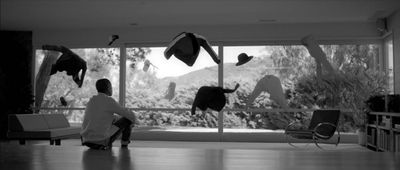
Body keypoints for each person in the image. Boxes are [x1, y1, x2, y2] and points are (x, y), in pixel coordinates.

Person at [81, 78, 136, 150]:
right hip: (100, 140)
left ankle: (101, 144)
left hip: (86, 139)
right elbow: (130, 115)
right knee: (127, 120)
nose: (112, 89)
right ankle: (124, 146)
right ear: (108, 88)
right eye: (111, 87)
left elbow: (102, 117)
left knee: (116, 119)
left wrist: (117, 118)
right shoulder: (108, 100)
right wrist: (133, 121)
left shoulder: (92, 100)